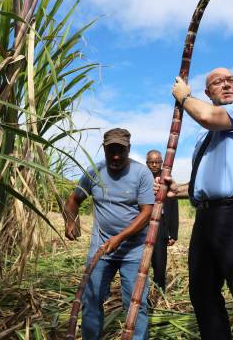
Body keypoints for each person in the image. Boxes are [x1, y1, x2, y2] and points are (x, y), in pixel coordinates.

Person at [157, 68, 233, 340]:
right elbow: (204, 185)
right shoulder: (204, 140)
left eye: (231, 80)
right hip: (207, 217)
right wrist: (175, 189)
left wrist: (183, 97)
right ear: (208, 92)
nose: (226, 85)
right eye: (218, 82)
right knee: (201, 292)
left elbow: (206, 116)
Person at [63, 128, 154, 340]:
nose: (115, 156)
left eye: (120, 151)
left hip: (133, 251)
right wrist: (70, 221)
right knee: (91, 300)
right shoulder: (94, 171)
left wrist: (120, 238)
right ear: (104, 149)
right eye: (110, 150)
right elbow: (74, 200)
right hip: (100, 248)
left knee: (135, 304)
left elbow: (147, 212)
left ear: (129, 149)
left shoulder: (141, 173)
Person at [145, 149, 179, 292]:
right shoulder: (142, 178)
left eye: (157, 162)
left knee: (159, 261)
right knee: (141, 260)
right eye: (151, 162)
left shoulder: (168, 180)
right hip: (143, 223)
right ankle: (143, 291)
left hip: (161, 225)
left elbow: (173, 209)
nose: (154, 165)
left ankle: (159, 292)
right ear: (146, 163)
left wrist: (173, 233)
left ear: (162, 163)